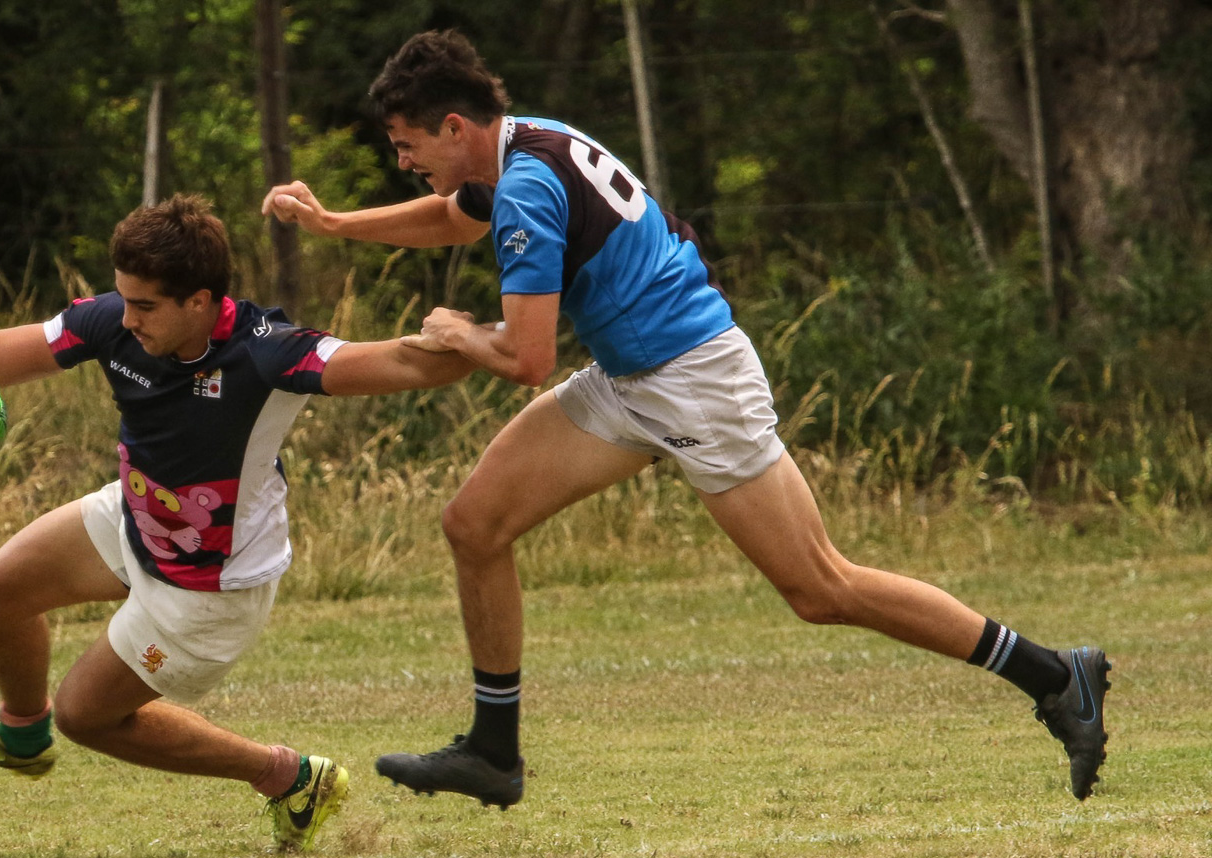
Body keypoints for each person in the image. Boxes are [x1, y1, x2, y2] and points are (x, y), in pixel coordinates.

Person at [261, 29, 1112, 808]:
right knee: (474, 523)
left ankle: (1053, 673)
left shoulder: (525, 187)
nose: (408, 163)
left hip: (694, 378)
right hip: (632, 376)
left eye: (408, 145)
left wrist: (456, 331)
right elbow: (453, 218)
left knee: (821, 587)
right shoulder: (527, 141)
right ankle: (493, 750)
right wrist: (334, 223)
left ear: (453, 127)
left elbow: (526, 360)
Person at [0, 194, 473, 850]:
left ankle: (287, 775)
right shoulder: (113, 322)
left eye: (144, 306)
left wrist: (466, 338)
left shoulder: (269, 354)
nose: (126, 318)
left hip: (210, 588)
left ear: (200, 301)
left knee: (87, 714)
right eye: (122, 299)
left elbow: (405, 362)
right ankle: (22, 739)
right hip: (137, 514)